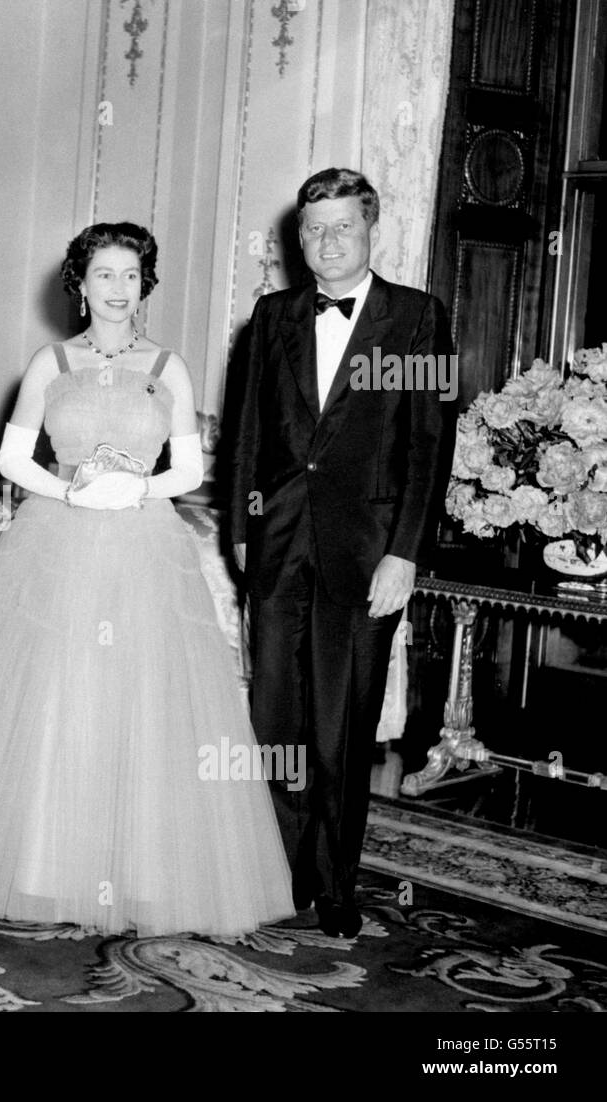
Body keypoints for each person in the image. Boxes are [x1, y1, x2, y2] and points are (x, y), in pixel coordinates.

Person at [0, 223, 295, 938]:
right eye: (103, 276)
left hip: (145, 550)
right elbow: (12, 459)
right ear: (80, 286)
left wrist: (135, 490)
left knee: (144, 706)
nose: (117, 290)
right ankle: (46, 868)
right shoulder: (50, 362)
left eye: (129, 275)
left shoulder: (168, 367)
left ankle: (143, 873)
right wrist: (70, 493)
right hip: (56, 545)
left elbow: (188, 466)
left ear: (144, 284)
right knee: (59, 697)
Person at [229, 168, 455, 938]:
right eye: (314, 230)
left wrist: (407, 553)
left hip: (369, 556)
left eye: (343, 228)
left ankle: (334, 882)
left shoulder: (418, 318)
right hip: (278, 544)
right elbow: (247, 433)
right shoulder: (271, 317)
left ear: (371, 231)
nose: (327, 243)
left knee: (342, 725)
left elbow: (430, 445)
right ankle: (279, 873)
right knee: (276, 718)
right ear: (299, 240)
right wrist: (239, 528)